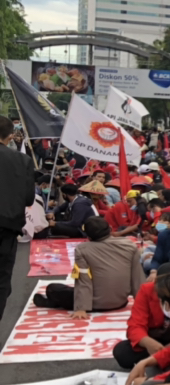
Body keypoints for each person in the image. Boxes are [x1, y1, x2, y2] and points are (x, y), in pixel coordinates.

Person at [33, 216, 143, 317]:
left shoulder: (82, 249)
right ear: (110, 229)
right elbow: (137, 276)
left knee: (53, 289)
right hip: (121, 301)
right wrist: (142, 303)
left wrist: (81, 307)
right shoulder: (130, 245)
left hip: (94, 303)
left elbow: (83, 279)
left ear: (88, 236)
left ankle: (52, 303)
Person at [0, 115, 36, 319]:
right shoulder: (22, 160)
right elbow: (29, 198)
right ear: (10, 136)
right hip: (8, 227)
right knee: (2, 280)